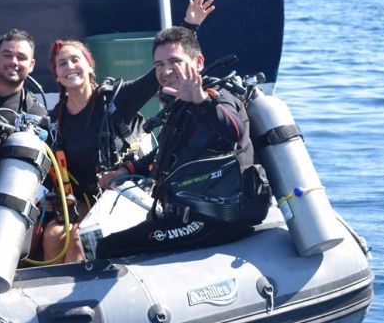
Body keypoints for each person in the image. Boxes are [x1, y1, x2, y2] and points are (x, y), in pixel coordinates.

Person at [35, 0, 215, 263]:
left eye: (76, 60)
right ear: (56, 74)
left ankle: (78, 298)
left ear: (90, 67)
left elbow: (157, 76)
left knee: (77, 238)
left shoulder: (118, 99)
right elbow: (54, 175)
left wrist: (189, 27)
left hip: (125, 190)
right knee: (52, 234)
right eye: (62, 63)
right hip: (83, 199)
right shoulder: (55, 120)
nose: (70, 66)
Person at [92, 25, 266, 259]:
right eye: (159, 65)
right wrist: (127, 169)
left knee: (108, 248)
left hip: (214, 220)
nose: (166, 71)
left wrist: (202, 101)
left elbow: (234, 130)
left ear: (199, 63)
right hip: (185, 214)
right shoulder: (181, 106)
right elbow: (164, 152)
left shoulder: (217, 96)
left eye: (175, 61)